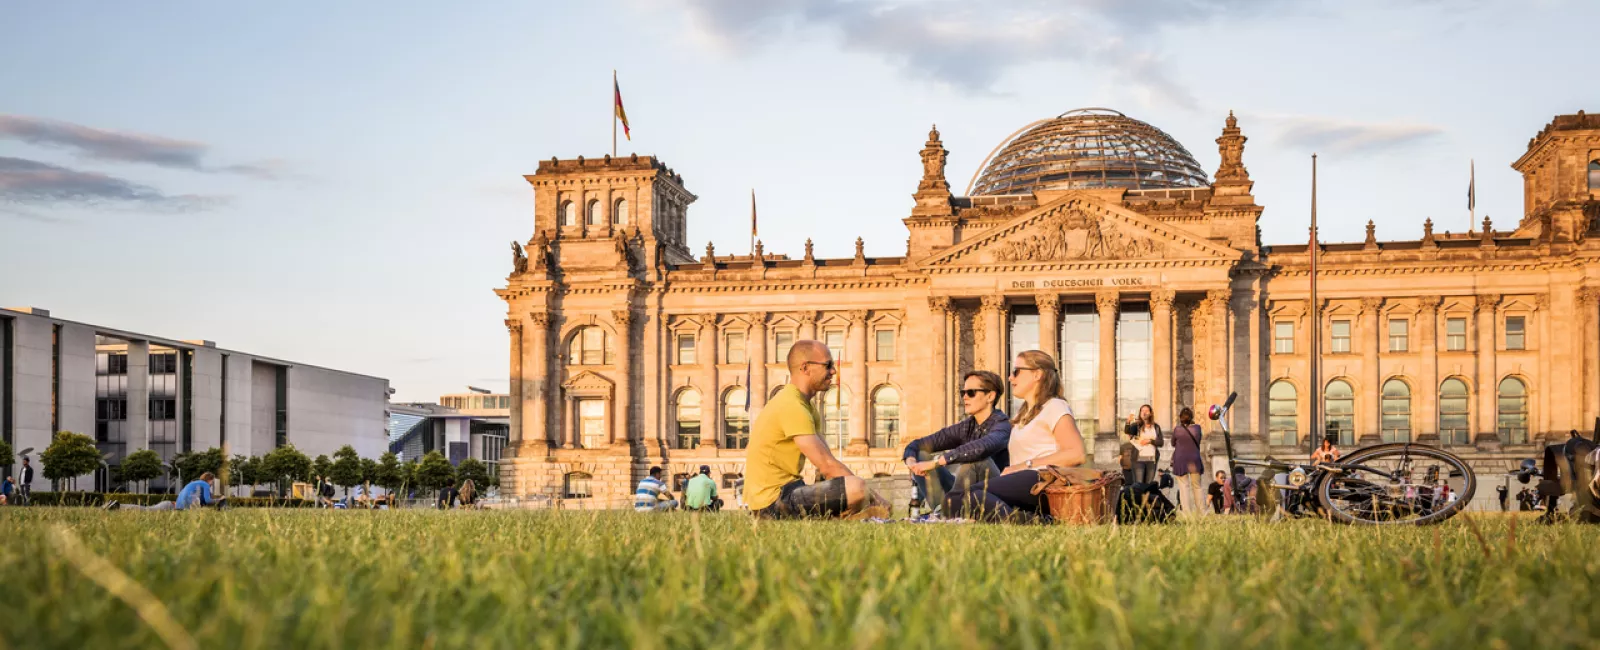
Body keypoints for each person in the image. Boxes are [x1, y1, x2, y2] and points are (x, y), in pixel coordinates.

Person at [745, 340, 885, 519]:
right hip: (772, 503)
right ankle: (845, 519)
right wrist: (875, 498)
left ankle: (839, 520)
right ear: (805, 368)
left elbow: (827, 463)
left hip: (790, 489)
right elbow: (827, 466)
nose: (833, 371)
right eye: (828, 365)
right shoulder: (791, 405)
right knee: (857, 488)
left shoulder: (806, 407)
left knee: (853, 489)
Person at [944, 350, 1087, 523]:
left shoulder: (1055, 406)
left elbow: (1076, 453)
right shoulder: (1023, 415)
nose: (1010, 378)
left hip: (1041, 480)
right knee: (956, 499)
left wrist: (1022, 466)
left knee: (961, 499)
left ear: (1037, 374)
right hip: (1023, 483)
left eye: (1016, 372)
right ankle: (1027, 519)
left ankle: (1030, 522)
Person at [901, 370, 1011, 515]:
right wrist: (912, 462)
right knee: (922, 454)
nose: (965, 397)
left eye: (971, 392)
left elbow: (983, 447)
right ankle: (941, 511)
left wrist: (937, 462)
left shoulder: (1003, 424)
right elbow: (917, 444)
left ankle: (947, 512)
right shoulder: (966, 426)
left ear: (990, 396)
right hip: (963, 491)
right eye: (962, 392)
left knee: (975, 459)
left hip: (993, 494)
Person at [104, 472, 225, 511]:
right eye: (212, 481)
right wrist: (219, 500)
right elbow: (208, 500)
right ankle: (118, 506)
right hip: (169, 507)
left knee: (146, 510)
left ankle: (117, 505)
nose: (212, 483)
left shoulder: (195, 485)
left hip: (169, 504)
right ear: (209, 479)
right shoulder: (204, 484)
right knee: (146, 510)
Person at [1169, 407, 1205, 518]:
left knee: (1184, 487)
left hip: (1180, 460)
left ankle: (1187, 513)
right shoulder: (1197, 428)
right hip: (1194, 459)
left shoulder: (1177, 430)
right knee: (1197, 486)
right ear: (1191, 417)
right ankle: (1202, 512)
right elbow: (1198, 441)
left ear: (1180, 418)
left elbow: (1173, 443)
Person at [1123, 405, 1163, 486]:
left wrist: (1150, 441)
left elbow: (1160, 442)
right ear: (1140, 413)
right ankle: (1139, 499)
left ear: (1151, 413)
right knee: (1139, 485)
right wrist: (1128, 422)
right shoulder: (1136, 425)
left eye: (1146, 410)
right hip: (1138, 460)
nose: (1144, 412)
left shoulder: (1156, 427)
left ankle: (1146, 499)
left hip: (1151, 460)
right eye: (1142, 411)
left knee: (1148, 485)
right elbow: (1128, 431)